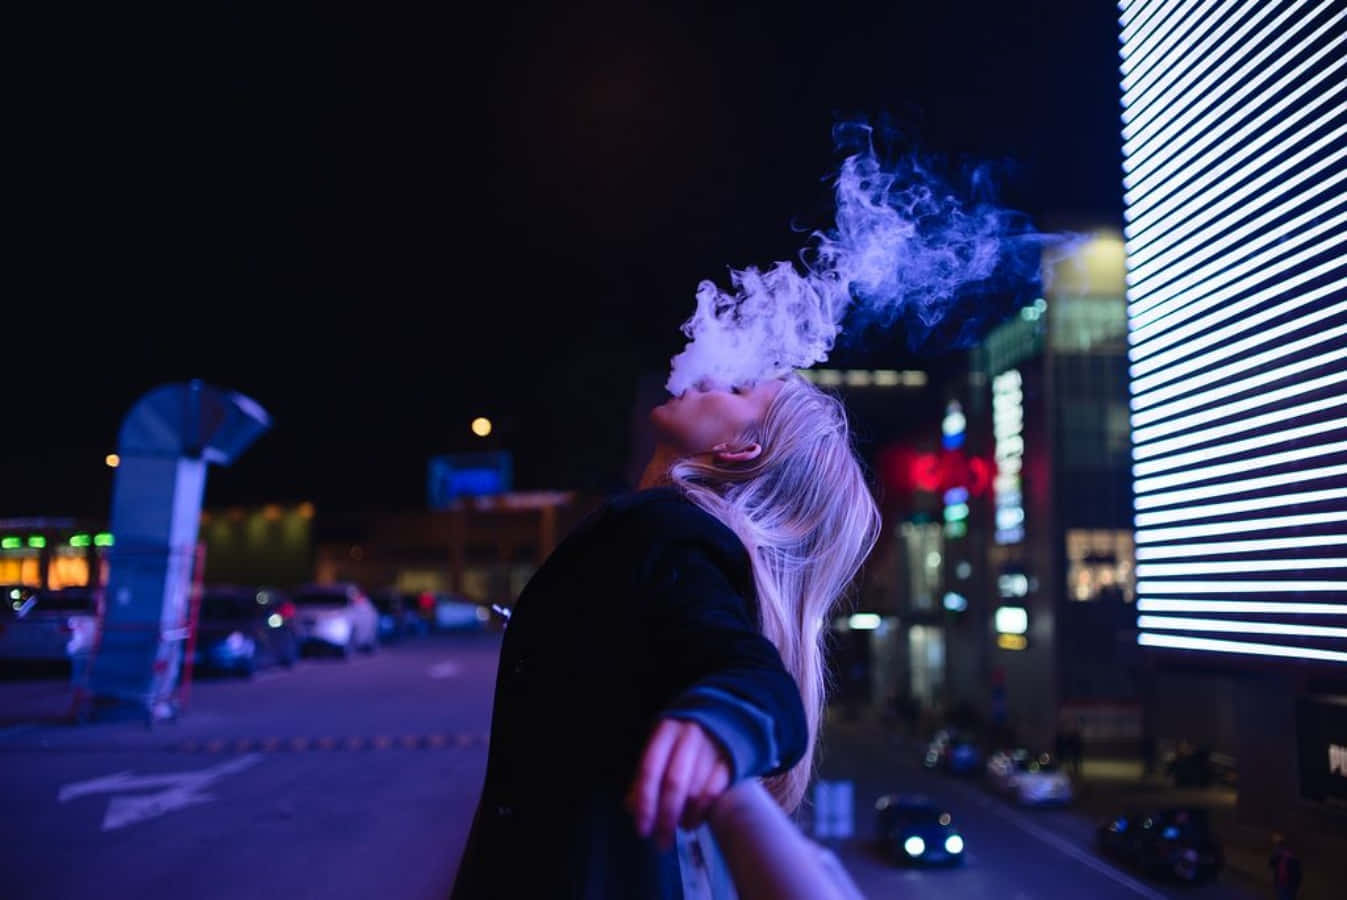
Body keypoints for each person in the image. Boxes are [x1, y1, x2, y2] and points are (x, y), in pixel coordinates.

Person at [451, 373, 881, 898]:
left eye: (740, 391)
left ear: (741, 448)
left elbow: (746, 671)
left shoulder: (667, 531)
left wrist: (724, 719)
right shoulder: (666, 536)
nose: (707, 378)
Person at [1269, 833, 1303, 900]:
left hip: (1288, 887)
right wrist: (1274, 855)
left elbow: (1297, 876)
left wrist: (1297, 888)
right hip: (1281, 884)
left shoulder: (1293, 859)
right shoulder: (1279, 857)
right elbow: (1271, 865)